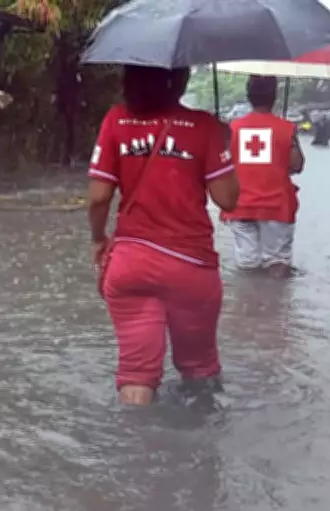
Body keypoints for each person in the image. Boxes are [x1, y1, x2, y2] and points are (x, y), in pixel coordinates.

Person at [87, 65, 240, 406]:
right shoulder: (204, 126)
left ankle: (138, 450)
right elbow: (228, 199)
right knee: (199, 370)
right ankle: (201, 452)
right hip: (191, 266)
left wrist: (99, 238)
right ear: (181, 78)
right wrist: (222, 147)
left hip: (130, 265)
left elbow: (99, 198)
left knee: (136, 373)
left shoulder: (116, 120)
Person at [221, 75, 305, 277]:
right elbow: (297, 166)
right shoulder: (286, 128)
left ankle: (248, 303)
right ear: (274, 96)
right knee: (277, 264)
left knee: (247, 266)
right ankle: (276, 305)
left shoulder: (231, 128)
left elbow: (222, 165)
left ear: (248, 95)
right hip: (276, 206)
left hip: (240, 204)